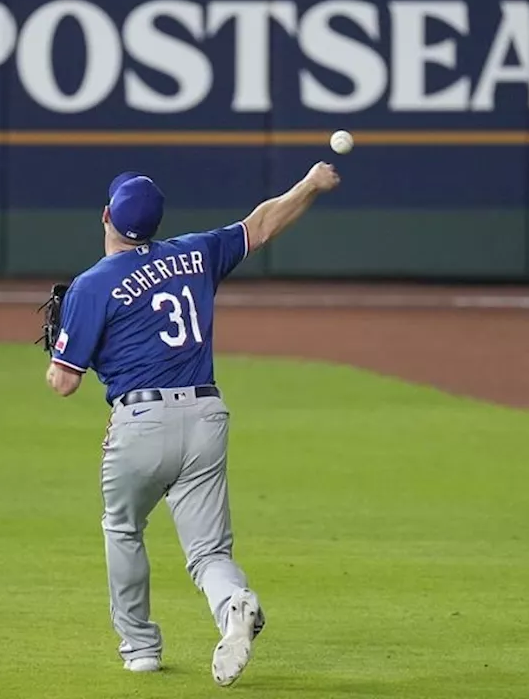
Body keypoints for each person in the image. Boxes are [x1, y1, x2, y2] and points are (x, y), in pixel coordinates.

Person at [43, 161, 341, 684]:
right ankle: (233, 606)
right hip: (206, 416)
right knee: (208, 552)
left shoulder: (93, 286)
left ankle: (139, 648)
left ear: (106, 216)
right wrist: (311, 185)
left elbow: (64, 381)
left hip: (140, 421)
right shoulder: (194, 253)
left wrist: (63, 347)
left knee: (123, 528)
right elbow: (263, 224)